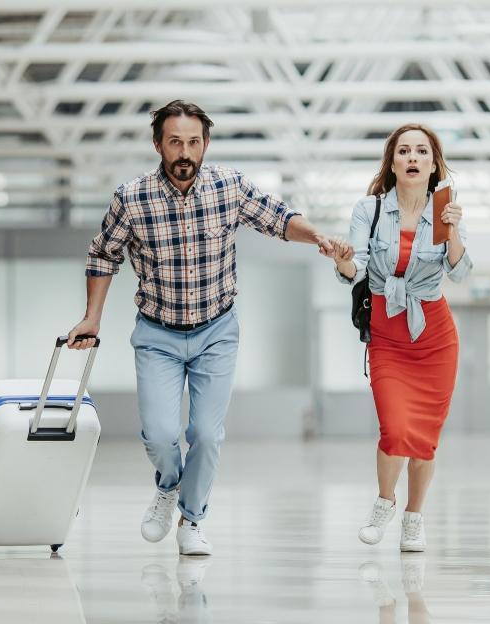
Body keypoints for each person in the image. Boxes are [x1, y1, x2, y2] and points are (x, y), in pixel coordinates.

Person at [65, 100, 337, 556]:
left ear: (205, 144)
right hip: (157, 334)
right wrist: (92, 317)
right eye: (175, 142)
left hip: (217, 331)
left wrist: (319, 238)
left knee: (207, 435)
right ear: (158, 145)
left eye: (194, 142)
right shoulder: (131, 198)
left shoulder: (229, 187)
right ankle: (168, 485)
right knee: (159, 434)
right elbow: (102, 255)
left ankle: (192, 520)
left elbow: (277, 217)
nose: (185, 152)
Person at [329, 123, 472, 552]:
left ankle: (414, 517)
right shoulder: (369, 209)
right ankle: (384, 502)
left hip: (435, 336)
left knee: (425, 437)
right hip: (388, 333)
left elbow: (460, 273)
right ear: (392, 163)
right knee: (394, 428)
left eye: (421, 152)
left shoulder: (443, 211)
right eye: (404, 151)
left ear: (433, 164)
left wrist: (454, 230)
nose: (412, 157)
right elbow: (357, 269)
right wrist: (343, 262)